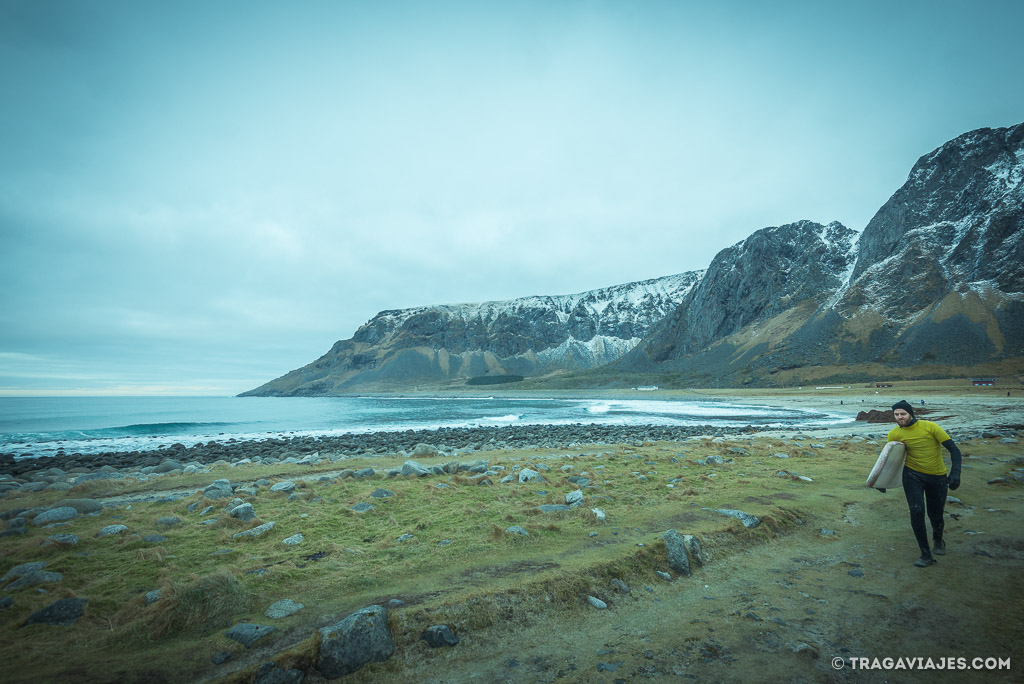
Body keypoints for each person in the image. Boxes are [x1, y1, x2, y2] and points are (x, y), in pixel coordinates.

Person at [886, 400, 962, 567]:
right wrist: (882, 481)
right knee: (916, 511)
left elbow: (954, 450)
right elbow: (891, 461)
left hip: (937, 476)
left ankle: (938, 540)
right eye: (896, 415)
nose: (900, 417)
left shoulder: (930, 427)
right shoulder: (894, 435)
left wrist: (955, 473)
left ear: (910, 414)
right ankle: (925, 554)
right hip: (912, 475)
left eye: (903, 414)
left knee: (935, 515)